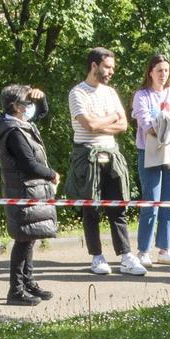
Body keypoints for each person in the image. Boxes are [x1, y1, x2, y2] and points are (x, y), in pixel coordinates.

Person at [67, 48, 147, 277]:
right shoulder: (77, 93)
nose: (111, 71)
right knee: (90, 208)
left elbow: (123, 125)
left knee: (118, 206)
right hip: (87, 155)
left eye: (112, 67)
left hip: (112, 154)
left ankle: (125, 256)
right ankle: (97, 256)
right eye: (108, 67)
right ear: (94, 66)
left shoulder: (111, 92)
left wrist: (103, 121)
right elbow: (88, 126)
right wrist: (111, 117)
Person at [0, 84, 59, 305]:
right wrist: (51, 174)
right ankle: (16, 290)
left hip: (30, 190)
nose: (31, 107)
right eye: (27, 102)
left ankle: (28, 282)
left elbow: (43, 112)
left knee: (29, 239)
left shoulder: (22, 125)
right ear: (16, 106)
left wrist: (42, 98)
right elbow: (28, 163)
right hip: (22, 190)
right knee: (22, 240)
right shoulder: (13, 132)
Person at [130, 54, 170, 267]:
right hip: (150, 152)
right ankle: (143, 251)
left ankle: (165, 249)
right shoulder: (142, 95)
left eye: (166, 71)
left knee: (169, 202)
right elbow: (146, 125)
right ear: (150, 72)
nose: (163, 75)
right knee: (151, 202)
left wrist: (169, 123)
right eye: (159, 71)